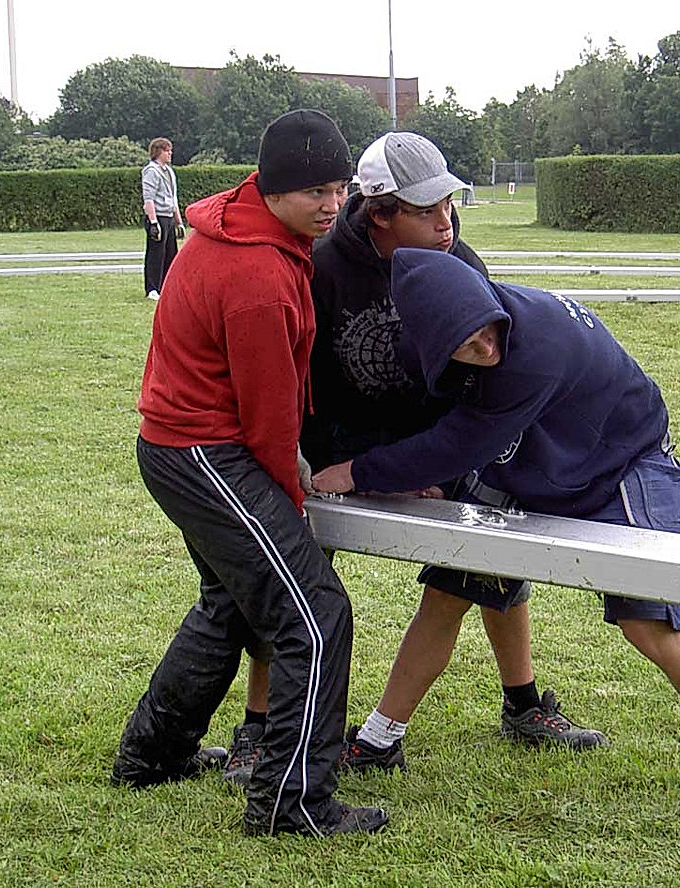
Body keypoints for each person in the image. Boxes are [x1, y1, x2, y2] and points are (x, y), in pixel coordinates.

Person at [312, 248, 680, 829]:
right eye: (464, 343)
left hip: (624, 461)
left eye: (486, 330)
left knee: (650, 619)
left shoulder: (535, 350)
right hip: (533, 451)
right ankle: (385, 739)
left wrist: (359, 473)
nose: (485, 345)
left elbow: (454, 445)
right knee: (453, 587)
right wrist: (412, 471)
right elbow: (429, 423)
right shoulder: (427, 345)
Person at [220, 132, 605, 780]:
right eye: (426, 211)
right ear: (379, 214)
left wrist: (427, 468)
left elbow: (480, 385)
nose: (444, 223)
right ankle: (258, 731)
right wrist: (324, 463)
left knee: (493, 555)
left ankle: (523, 705)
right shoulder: (319, 268)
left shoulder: (461, 262)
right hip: (331, 451)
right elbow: (291, 374)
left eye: (449, 205)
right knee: (289, 582)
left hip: (429, 450)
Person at [110, 109, 388, 838]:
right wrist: (290, 501)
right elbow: (269, 420)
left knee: (228, 605)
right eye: (316, 192)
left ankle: (152, 755)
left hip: (176, 448)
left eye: (340, 187)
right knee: (316, 615)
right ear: (274, 188)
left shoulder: (246, 223)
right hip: (205, 452)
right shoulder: (257, 273)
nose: (333, 205)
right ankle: (292, 805)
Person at [141, 137, 185, 301]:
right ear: (159, 151)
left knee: (170, 253)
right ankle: (152, 288)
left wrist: (179, 222)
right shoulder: (151, 171)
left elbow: (173, 199)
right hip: (157, 216)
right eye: (167, 151)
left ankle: (167, 286)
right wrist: (153, 222)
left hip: (168, 216)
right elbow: (149, 199)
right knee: (156, 253)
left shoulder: (169, 172)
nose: (170, 154)